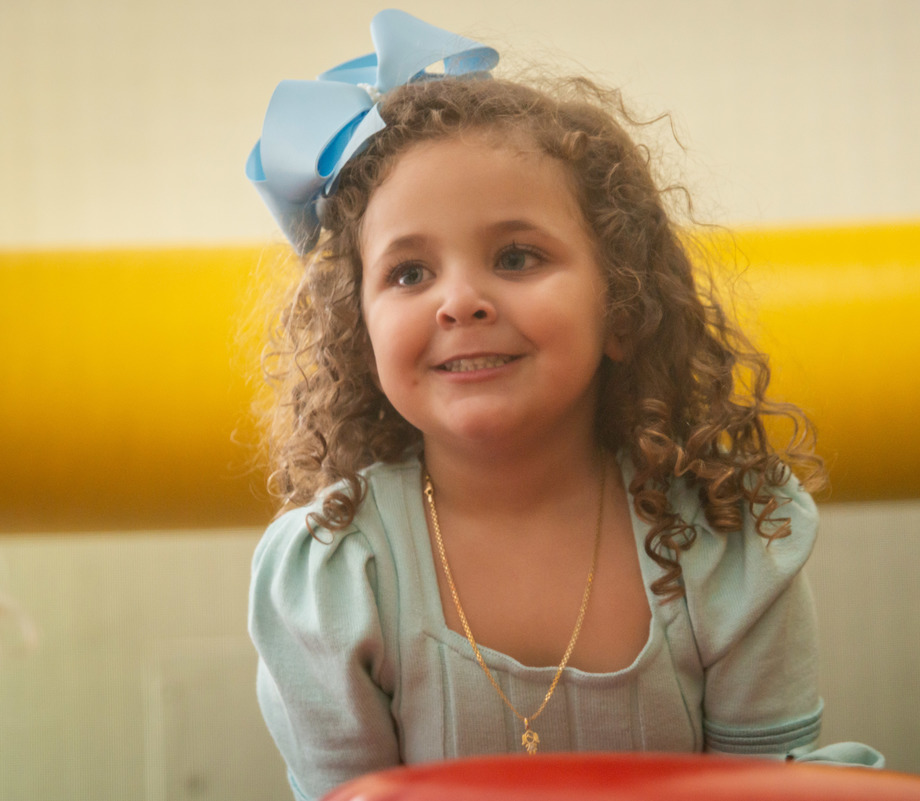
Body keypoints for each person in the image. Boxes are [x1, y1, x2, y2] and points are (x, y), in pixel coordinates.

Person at [246, 9, 882, 800]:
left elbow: (763, 789)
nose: (461, 301)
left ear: (622, 308)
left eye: (517, 256)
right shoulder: (335, 575)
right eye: (409, 274)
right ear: (357, 332)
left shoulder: (725, 541)